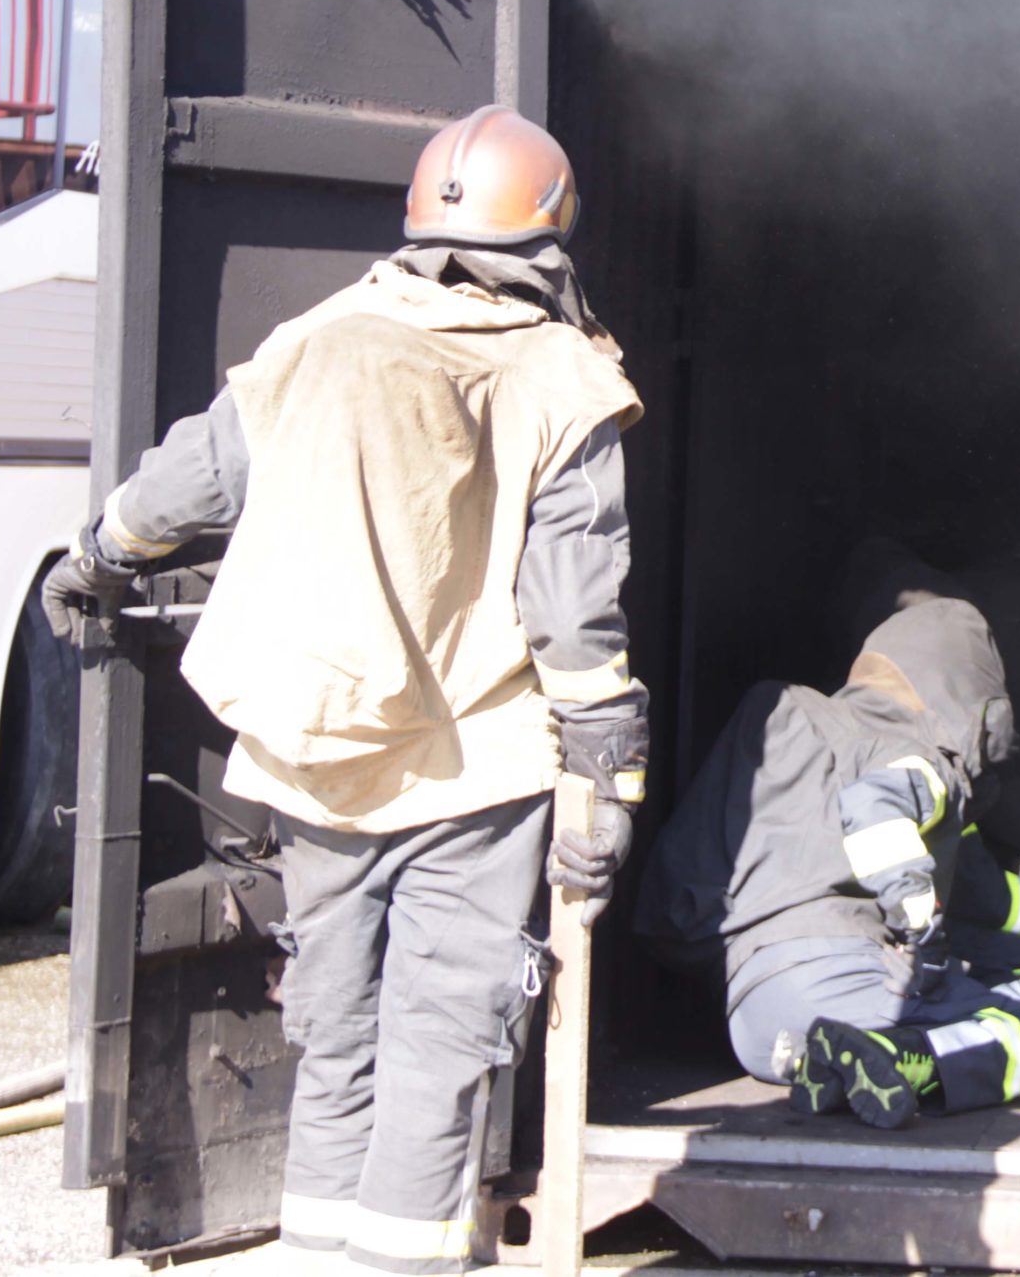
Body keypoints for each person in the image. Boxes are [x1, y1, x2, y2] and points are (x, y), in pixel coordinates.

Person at [40, 107, 645, 1273]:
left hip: (318, 760)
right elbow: (574, 612)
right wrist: (609, 783)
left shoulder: (316, 338)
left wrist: (96, 559)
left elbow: (186, 485)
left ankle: (320, 1257)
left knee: (335, 1029)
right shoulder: (563, 378)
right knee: (439, 1040)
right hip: (472, 773)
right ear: (552, 230)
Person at [635, 598, 1020, 1127]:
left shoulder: (787, 721)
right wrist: (921, 930)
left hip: (749, 1008)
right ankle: (898, 1058)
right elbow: (874, 805)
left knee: (842, 1040)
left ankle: (825, 1064)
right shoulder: (913, 753)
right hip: (843, 983)